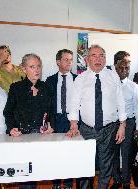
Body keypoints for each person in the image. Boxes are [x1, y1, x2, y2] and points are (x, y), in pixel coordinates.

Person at [66, 44, 127, 189]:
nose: (98, 59)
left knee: (106, 166)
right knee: (85, 165)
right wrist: (73, 125)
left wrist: (122, 126)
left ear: (105, 59)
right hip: (87, 130)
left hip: (109, 129)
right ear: (87, 59)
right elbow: (73, 104)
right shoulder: (80, 79)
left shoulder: (113, 76)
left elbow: (120, 102)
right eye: (94, 55)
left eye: (102, 56)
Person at [4, 53, 54, 189]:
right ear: (24, 69)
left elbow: (52, 112)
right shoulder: (16, 88)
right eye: (32, 67)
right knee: (25, 176)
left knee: (38, 172)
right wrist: (11, 128)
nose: (37, 70)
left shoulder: (47, 87)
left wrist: (51, 125)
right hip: (22, 136)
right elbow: (7, 112)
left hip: (42, 136)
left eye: (39, 66)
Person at [45, 49, 77, 189]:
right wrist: (48, 123)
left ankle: (69, 184)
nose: (69, 62)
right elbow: (46, 104)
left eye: (71, 59)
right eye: (66, 59)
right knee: (55, 154)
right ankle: (56, 184)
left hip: (73, 121)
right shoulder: (49, 80)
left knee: (70, 154)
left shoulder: (78, 79)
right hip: (56, 120)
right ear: (58, 62)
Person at [111, 58, 138, 189]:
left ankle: (126, 183)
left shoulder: (134, 87)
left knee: (126, 153)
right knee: (114, 153)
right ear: (116, 69)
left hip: (128, 124)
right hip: (113, 123)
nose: (124, 71)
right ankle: (116, 180)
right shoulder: (110, 85)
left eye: (127, 68)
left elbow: (137, 108)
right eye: (121, 68)